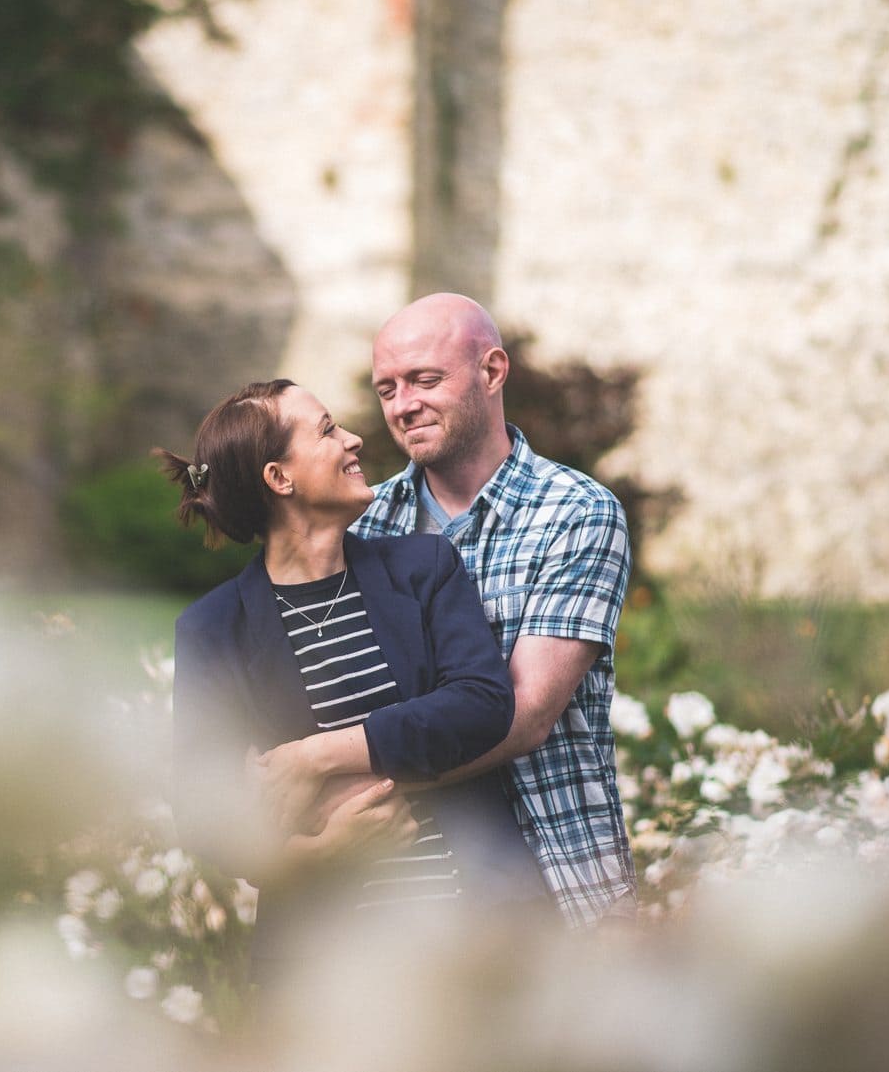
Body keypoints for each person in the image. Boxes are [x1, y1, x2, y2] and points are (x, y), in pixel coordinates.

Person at [162, 379, 550, 985]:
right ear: (279, 479)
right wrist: (316, 858)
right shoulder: (214, 630)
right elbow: (205, 815)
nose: (354, 439)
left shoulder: (424, 566)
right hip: (329, 972)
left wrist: (315, 757)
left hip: (479, 936)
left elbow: (483, 703)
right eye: (325, 430)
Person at [345, 292, 637, 927]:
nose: (403, 405)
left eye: (425, 380)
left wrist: (351, 783)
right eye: (387, 388)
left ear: (493, 371)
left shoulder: (576, 512)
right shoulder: (364, 522)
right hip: (396, 882)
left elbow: (528, 713)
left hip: (548, 867)